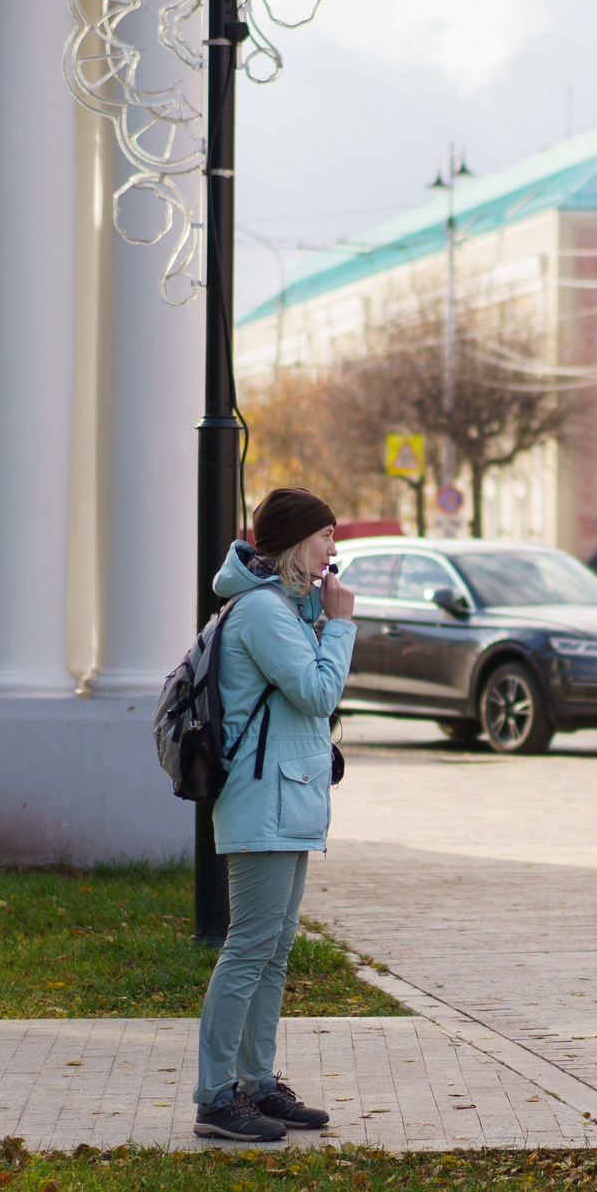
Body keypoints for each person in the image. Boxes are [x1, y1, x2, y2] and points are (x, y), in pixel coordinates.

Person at [193, 487, 357, 1145]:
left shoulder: (283, 608)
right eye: (324, 536)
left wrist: (319, 618)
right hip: (263, 800)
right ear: (293, 542)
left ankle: (257, 1082)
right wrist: (340, 625)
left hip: (289, 796)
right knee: (248, 948)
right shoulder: (261, 610)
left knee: (275, 949)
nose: (333, 550)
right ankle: (215, 1095)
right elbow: (317, 692)